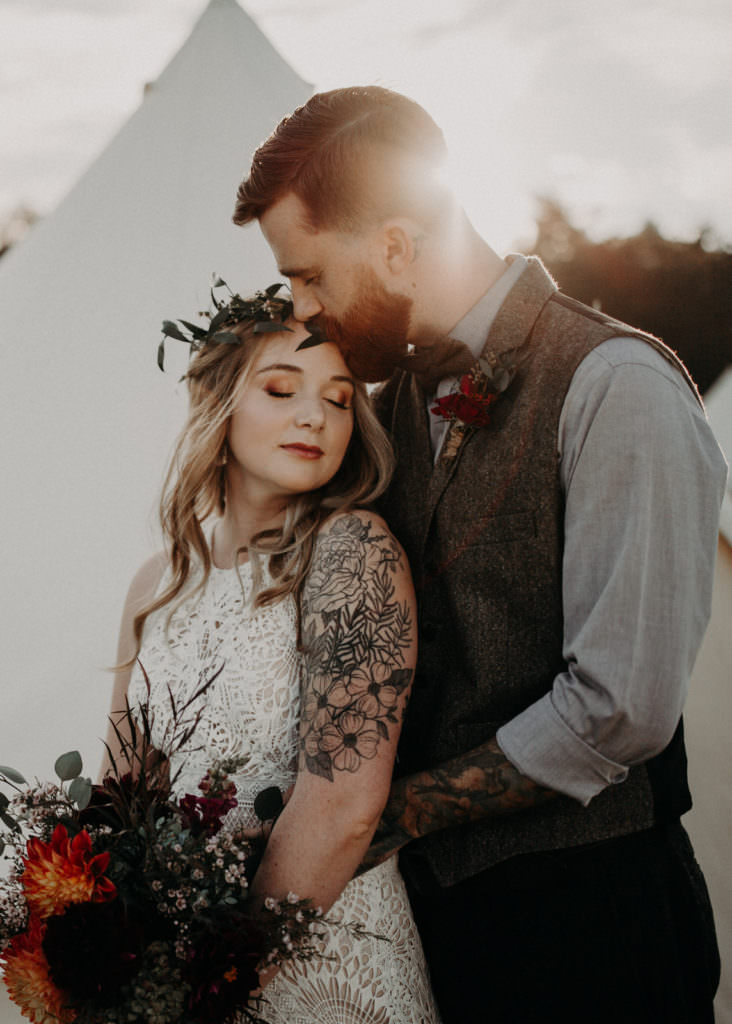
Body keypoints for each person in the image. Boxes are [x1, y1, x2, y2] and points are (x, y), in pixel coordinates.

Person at [232, 86, 728, 1023]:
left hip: (595, 927)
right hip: (434, 934)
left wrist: (399, 812)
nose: (304, 310)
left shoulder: (616, 385)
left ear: (392, 245)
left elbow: (619, 709)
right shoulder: (380, 408)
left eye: (307, 277)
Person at [104, 290, 441, 1024]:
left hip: (323, 965)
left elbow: (348, 808)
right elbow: (121, 798)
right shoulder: (153, 586)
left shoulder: (352, 552)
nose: (315, 416)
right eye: (282, 389)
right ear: (216, 403)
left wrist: (215, 983)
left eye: (340, 399)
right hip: (179, 969)